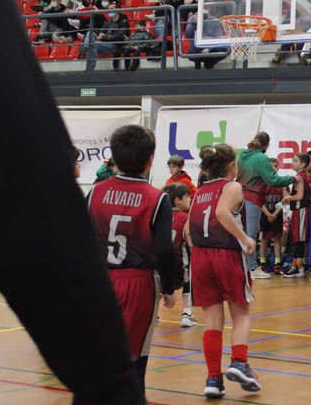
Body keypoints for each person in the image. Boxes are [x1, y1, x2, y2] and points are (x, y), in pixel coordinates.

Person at [0, 0, 145, 403]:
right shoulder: (145, 197)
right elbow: (29, 197)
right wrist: (112, 386)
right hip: (125, 286)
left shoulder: (103, 192)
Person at [87, 124, 178, 398]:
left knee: (102, 357)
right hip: (137, 282)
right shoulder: (157, 198)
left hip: (99, 280)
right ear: (151, 159)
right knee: (135, 358)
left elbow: (76, 237)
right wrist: (170, 287)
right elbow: (165, 250)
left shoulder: (95, 192)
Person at [189, 144, 262, 398]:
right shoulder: (232, 187)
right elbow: (221, 212)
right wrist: (245, 239)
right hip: (226, 254)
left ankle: (213, 378)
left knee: (212, 320)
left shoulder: (199, 192)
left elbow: (189, 231)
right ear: (233, 165)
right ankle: (240, 362)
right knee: (241, 312)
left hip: (200, 255)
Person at [236, 132, 295, 280]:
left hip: (238, 198)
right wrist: (292, 178)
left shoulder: (243, 155)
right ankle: (251, 268)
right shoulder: (261, 158)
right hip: (252, 198)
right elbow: (272, 180)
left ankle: (241, 266)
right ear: (266, 146)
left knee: (240, 233)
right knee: (250, 234)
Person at [163, 182, 198, 328]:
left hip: (162, 261)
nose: (190, 199)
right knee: (188, 283)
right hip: (180, 261)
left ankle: (154, 312)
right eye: (187, 197)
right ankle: (186, 313)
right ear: (177, 200)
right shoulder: (185, 219)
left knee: (161, 286)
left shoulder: (162, 216)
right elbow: (191, 242)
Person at [281, 153, 311, 278]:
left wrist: (288, 197)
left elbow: (299, 196)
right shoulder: (301, 176)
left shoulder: (300, 177)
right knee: (297, 238)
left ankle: (299, 267)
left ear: (303, 164)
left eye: (295, 161)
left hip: (301, 210)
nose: (292, 163)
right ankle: (296, 265)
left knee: (298, 238)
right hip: (299, 210)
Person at [260, 157, 287, 274]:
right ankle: (262, 262)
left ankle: (277, 262)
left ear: (278, 168)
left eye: (275, 167)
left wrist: (275, 213)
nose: (273, 169)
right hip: (265, 214)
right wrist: (268, 214)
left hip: (276, 215)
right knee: (264, 239)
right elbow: (259, 201)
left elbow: (285, 200)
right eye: (271, 167)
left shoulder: (281, 183)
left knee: (277, 238)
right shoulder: (262, 183)